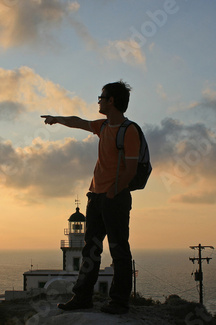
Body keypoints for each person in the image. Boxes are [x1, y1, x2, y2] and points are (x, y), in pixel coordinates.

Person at [41, 80, 140, 315]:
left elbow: (131, 169)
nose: (98, 100)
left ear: (112, 101)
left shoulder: (129, 130)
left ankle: (118, 302)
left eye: (102, 97)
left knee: (118, 250)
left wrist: (113, 192)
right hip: (95, 198)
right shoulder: (103, 127)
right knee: (91, 250)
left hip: (114, 198)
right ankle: (82, 297)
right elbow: (79, 122)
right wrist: (57, 119)